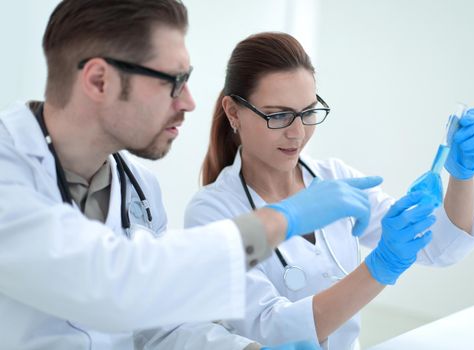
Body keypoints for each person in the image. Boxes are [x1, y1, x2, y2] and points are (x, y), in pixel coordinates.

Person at [0, 2, 377, 349]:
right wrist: (280, 220)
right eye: (173, 82)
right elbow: (111, 282)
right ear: (100, 81)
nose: (190, 102)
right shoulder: (7, 167)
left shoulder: (142, 189)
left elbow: (160, 322)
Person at [184, 32, 474, 349]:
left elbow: (438, 247)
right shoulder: (212, 211)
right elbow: (270, 330)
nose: (297, 133)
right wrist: (381, 266)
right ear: (234, 112)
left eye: (308, 112)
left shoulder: (334, 178)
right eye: (278, 115)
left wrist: (462, 173)